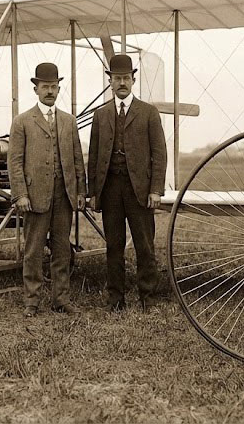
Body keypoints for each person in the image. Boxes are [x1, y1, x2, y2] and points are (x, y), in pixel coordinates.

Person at [88, 54, 167, 312]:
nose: (121, 83)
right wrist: (93, 192)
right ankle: (115, 299)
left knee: (144, 245)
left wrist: (155, 190)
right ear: (110, 82)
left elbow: (159, 154)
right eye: (117, 78)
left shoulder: (148, 113)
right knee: (114, 245)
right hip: (111, 189)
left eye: (126, 78)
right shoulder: (101, 115)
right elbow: (94, 156)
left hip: (139, 190)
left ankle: (148, 298)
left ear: (133, 80)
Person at [8, 62, 86, 317]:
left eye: (54, 86)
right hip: (35, 197)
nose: (50, 91)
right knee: (33, 251)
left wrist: (80, 192)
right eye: (45, 87)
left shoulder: (69, 121)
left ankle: (60, 299)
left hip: (64, 196)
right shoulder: (22, 122)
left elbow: (77, 159)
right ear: (36, 89)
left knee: (62, 250)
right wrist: (20, 194)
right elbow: (14, 162)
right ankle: (31, 301)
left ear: (59, 88)